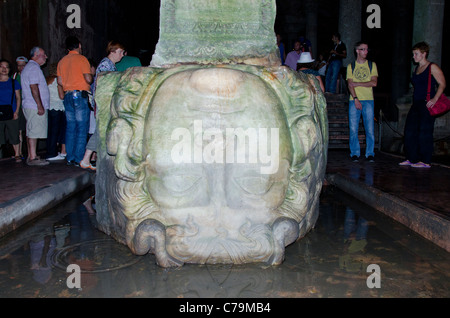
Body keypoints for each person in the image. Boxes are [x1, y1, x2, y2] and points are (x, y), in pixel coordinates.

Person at [399, 42, 447, 169]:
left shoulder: (432, 67)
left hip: (427, 103)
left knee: (425, 132)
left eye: (416, 54)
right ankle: (412, 158)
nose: (413, 56)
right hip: (416, 103)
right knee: (409, 131)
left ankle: (426, 161)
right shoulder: (416, 69)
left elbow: (442, 84)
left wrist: (435, 99)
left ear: (424, 54)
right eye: (413, 54)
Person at [79, 41, 125, 171]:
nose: (122, 55)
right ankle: (86, 159)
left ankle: (90, 158)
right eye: (120, 52)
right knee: (100, 130)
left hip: (104, 103)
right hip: (103, 104)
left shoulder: (110, 65)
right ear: (113, 51)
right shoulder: (106, 65)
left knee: (102, 130)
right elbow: (104, 87)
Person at [57, 36, 93, 167]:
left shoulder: (62, 61)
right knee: (82, 127)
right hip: (80, 95)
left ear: (67, 48)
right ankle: (78, 158)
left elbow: (60, 82)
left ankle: (69, 157)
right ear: (79, 45)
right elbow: (88, 79)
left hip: (67, 95)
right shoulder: (82, 59)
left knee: (70, 128)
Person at [346, 41, 378, 163]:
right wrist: (355, 99)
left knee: (369, 128)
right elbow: (350, 85)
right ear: (357, 51)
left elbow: (374, 83)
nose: (366, 52)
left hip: (369, 100)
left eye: (367, 49)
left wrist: (357, 83)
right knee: (353, 128)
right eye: (363, 49)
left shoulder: (372, 65)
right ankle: (354, 153)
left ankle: (370, 153)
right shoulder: (351, 66)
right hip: (354, 100)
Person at [21, 47, 50, 166]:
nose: (46, 57)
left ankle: (31, 155)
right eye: (44, 55)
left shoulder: (31, 67)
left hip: (31, 105)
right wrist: (40, 105)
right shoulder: (33, 68)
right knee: (33, 131)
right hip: (34, 106)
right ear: (36, 55)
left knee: (31, 130)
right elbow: (34, 87)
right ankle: (32, 157)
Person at [0, 59, 22, 162]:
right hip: (0, 111)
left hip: (11, 111)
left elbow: (18, 97)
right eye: (2, 67)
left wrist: (16, 111)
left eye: (6, 67)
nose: (4, 69)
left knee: (14, 134)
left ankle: (17, 154)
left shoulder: (14, 82)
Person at [46, 63, 66, 161]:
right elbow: (61, 96)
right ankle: (52, 153)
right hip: (58, 107)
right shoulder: (58, 80)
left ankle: (50, 151)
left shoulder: (47, 79)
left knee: (51, 131)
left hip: (49, 107)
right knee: (56, 131)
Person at [13, 56, 28, 159]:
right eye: (19, 65)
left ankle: (30, 152)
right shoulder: (14, 76)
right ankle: (19, 152)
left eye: (23, 65)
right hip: (18, 105)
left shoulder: (29, 75)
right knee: (18, 130)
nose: (21, 67)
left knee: (29, 129)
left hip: (28, 105)